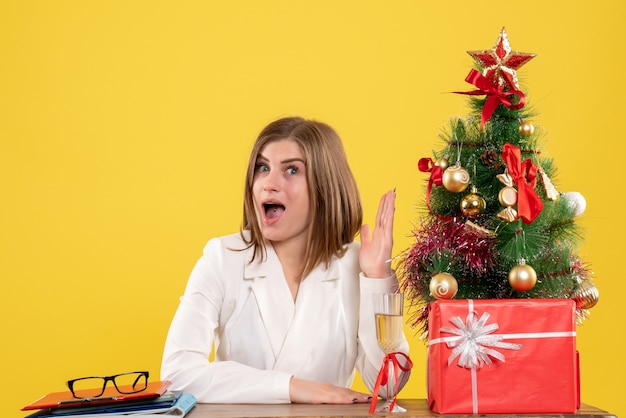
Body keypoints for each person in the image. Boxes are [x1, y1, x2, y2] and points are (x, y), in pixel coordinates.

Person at [160, 116, 410, 404]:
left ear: (325, 186)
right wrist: (292, 388)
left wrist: (377, 279)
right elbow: (177, 375)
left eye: (291, 170)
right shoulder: (222, 257)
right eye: (263, 168)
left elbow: (389, 383)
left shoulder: (356, 266)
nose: (269, 184)